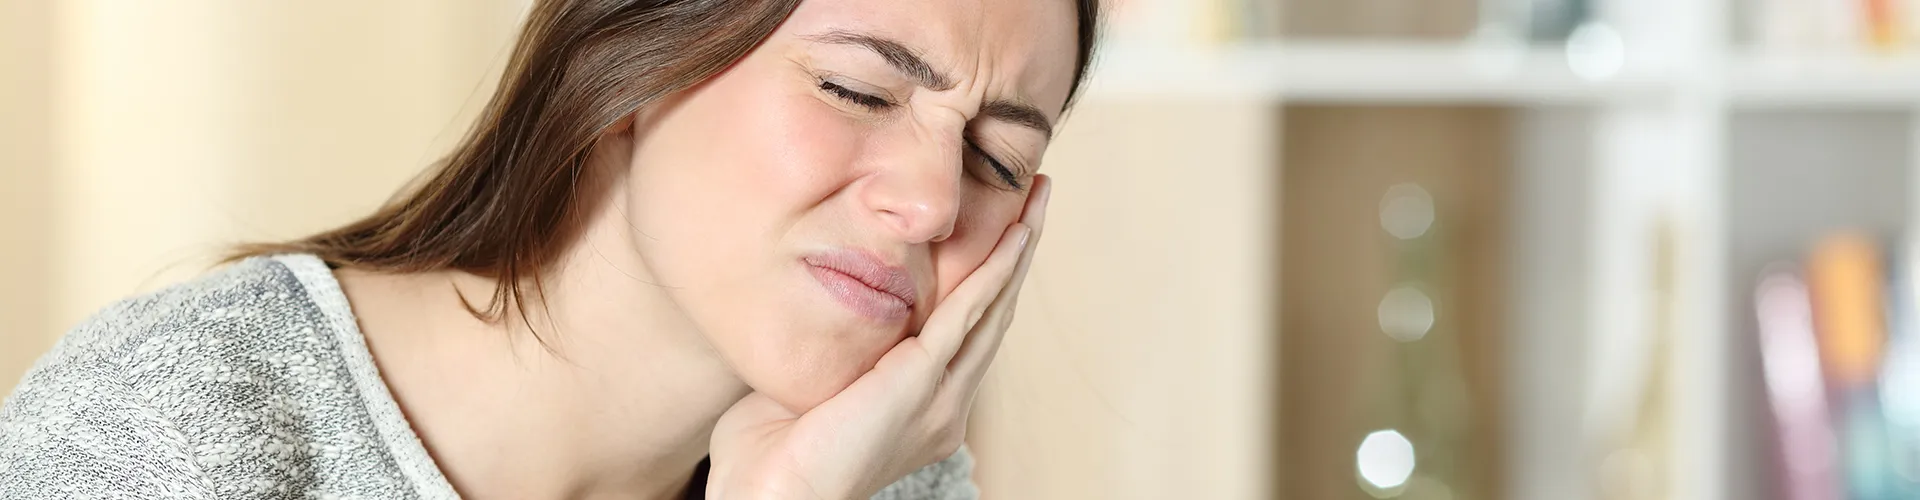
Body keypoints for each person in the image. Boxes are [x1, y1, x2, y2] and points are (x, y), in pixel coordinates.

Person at [0, 0, 1098, 498]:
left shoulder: (878, 474)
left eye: (997, 160)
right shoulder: (177, 430)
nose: (928, 203)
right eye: (856, 89)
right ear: (638, 56)